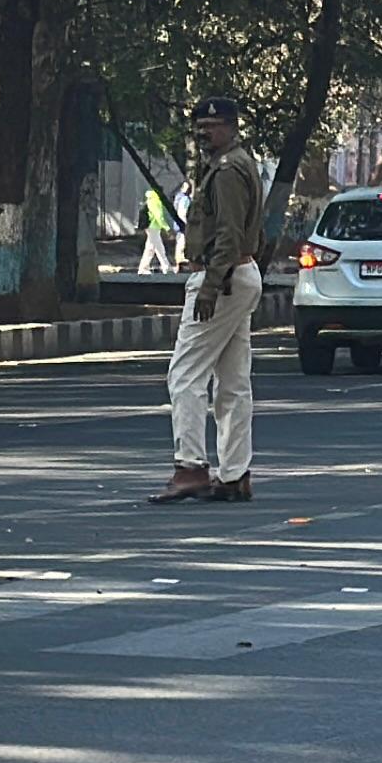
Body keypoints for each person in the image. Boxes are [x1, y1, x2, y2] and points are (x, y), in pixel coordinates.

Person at [150, 97, 267, 504]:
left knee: (184, 375)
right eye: (199, 126)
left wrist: (211, 286)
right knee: (232, 382)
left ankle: (190, 468)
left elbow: (230, 234)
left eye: (213, 126)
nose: (204, 133)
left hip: (224, 277)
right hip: (240, 274)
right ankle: (235, 474)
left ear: (232, 127)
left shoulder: (228, 170)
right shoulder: (233, 164)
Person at [134, 180, 180, 273]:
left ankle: (148, 267)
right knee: (156, 248)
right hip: (153, 227)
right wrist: (167, 228)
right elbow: (158, 216)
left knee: (153, 248)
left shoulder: (151, 199)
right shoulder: (156, 201)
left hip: (152, 227)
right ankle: (162, 267)